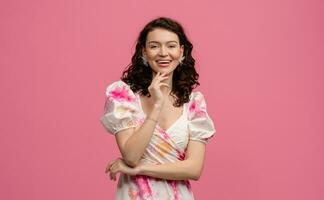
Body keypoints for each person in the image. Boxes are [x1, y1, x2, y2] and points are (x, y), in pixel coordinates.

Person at [100, 16, 216, 200]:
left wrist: (141, 169)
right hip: (135, 194)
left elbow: (193, 169)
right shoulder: (124, 97)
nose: (163, 53)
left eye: (171, 46)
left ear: (181, 51)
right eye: (154, 46)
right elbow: (131, 156)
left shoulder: (194, 104)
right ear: (144, 52)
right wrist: (157, 105)